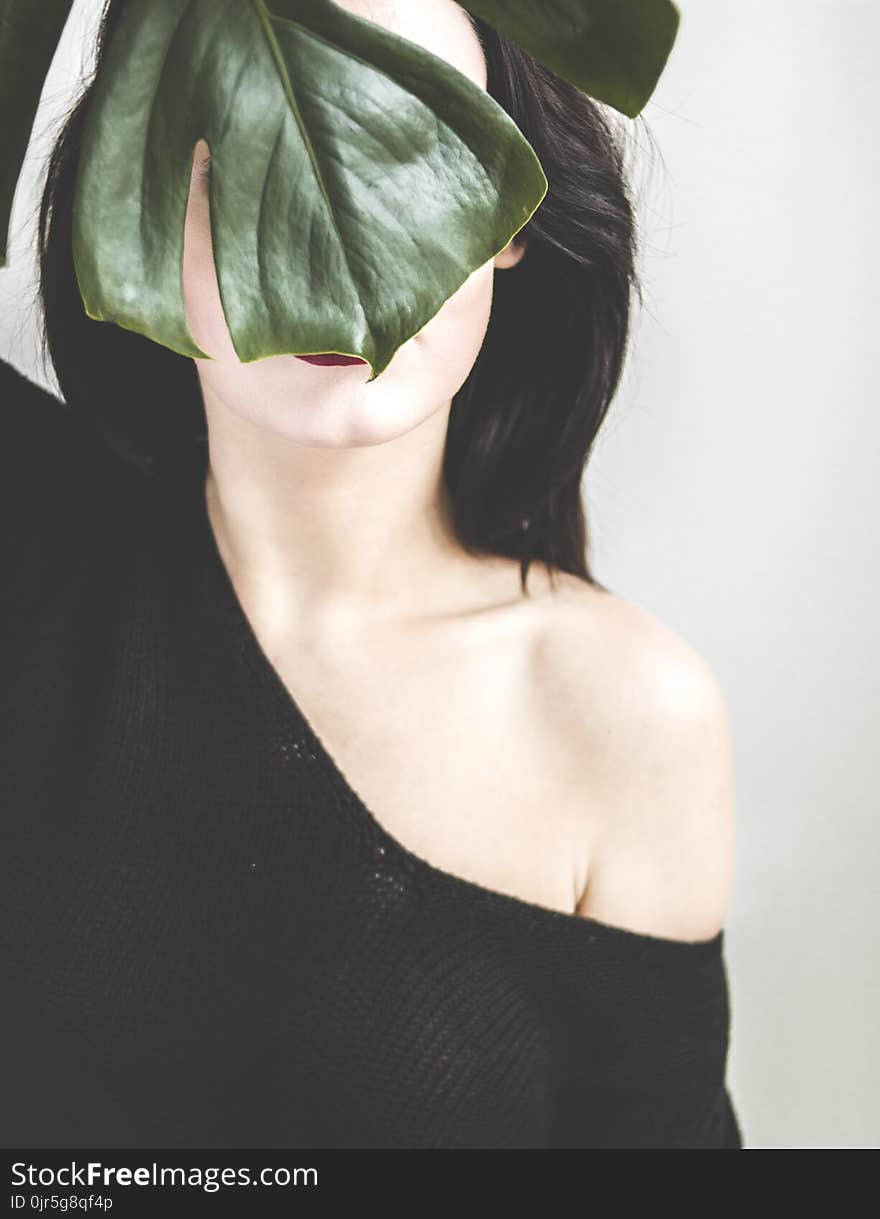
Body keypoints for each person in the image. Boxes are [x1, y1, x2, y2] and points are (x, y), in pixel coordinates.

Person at [0, 0, 742, 1148]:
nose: (323, 222)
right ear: (138, 188)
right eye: (247, 141)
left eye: (403, 139)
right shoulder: (33, 533)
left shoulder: (618, 713)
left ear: (514, 215)